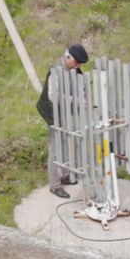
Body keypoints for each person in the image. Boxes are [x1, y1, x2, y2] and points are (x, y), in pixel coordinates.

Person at [36, 44, 89, 198]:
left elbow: (77, 83)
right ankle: (54, 185)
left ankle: (65, 175)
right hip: (52, 112)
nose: (78, 66)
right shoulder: (56, 70)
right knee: (55, 148)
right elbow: (53, 96)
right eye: (77, 62)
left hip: (63, 111)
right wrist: (75, 100)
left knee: (65, 143)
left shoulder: (72, 68)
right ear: (68, 57)